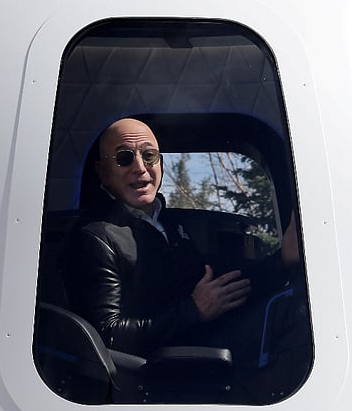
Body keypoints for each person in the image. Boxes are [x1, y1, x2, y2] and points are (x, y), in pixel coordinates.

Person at [62, 117, 299, 360]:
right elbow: (104, 335)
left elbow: (222, 288)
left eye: (149, 156)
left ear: (161, 164)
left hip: (203, 343)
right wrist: (193, 311)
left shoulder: (169, 224)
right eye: (124, 158)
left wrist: (282, 260)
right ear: (104, 173)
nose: (140, 168)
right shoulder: (95, 237)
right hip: (161, 370)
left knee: (292, 306)